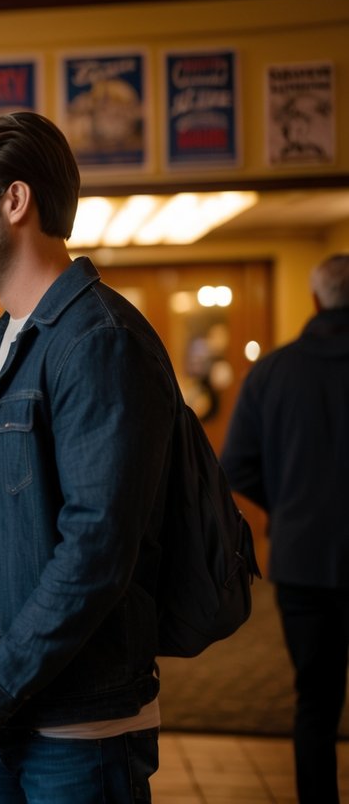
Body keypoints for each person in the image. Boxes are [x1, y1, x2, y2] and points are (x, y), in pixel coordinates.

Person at [0, 112, 179, 803]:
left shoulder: (98, 339)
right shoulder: (6, 335)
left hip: (80, 731)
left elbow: (95, 548)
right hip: (13, 710)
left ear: (14, 201)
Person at [221, 254, 349, 804]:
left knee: (314, 702)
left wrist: (289, 504)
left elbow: (235, 465)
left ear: (317, 301)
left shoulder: (273, 371)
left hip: (303, 558)